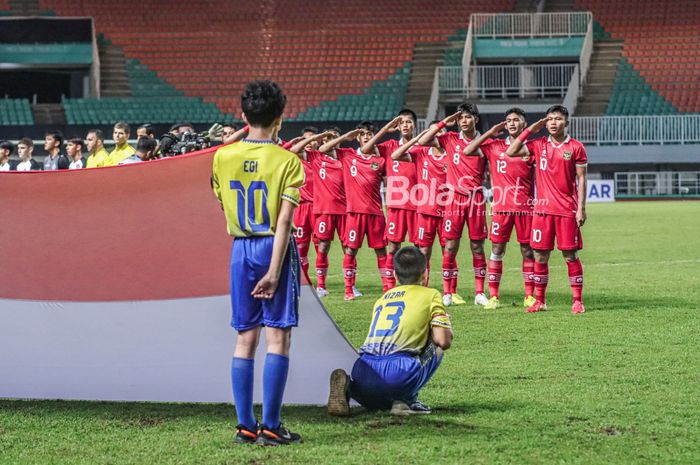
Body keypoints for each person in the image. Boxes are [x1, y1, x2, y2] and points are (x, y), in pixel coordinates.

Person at [211, 80, 304, 446]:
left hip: (241, 247)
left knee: (244, 338)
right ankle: (271, 425)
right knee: (278, 337)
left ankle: (245, 426)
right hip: (272, 248)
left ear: (243, 115)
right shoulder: (288, 161)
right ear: (280, 117)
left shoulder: (222, 156)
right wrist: (274, 271)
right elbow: (284, 222)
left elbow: (221, 201)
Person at [327, 246, 452, 416]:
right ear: (425, 273)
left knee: (374, 388)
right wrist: (446, 325)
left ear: (394, 275)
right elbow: (443, 341)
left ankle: (351, 388)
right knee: (436, 347)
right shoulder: (430, 295)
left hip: (363, 370)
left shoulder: (382, 299)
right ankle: (406, 400)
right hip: (399, 372)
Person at [505, 105, 587, 314]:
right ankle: (539, 300)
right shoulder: (538, 144)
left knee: (570, 255)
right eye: (549, 119)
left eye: (558, 119)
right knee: (540, 256)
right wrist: (531, 129)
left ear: (566, 123)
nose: (552, 122)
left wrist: (581, 209)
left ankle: (577, 300)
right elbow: (511, 150)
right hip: (542, 211)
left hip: (567, 210)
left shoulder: (576, 147)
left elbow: (581, 178)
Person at [463, 108, 536, 309]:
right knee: (497, 250)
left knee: (527, 250)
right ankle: (494, 296)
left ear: (524, 123)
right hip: (501, 208)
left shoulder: (531, 148)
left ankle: (529, 295)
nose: (511, 123)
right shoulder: (493, 146)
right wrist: (489, 132)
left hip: (525, 208)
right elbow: (468, 150)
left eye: (516, 120)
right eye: (508, 120)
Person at [419, 104, 490, 307]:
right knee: (450, 246)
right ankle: (448, 292)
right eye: (461, 118)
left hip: (476, 199)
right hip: (454, 199)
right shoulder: (449, 138)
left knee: (477, 246)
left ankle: (479, 292)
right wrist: (444, 122)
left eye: (467, 117)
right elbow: (424, 140)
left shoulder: (484, 141)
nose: (463, 121)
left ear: (475, 119)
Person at [319, 122, 391, 299]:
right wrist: (345, 137)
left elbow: (388, 187)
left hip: (376, 213)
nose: (367, 137)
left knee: (382, 251)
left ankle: (388, 288)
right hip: (354, 213)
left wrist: (389, 211)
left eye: (370, 134)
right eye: (364, 134)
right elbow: (322, 149)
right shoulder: (347, 155)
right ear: (358, 138)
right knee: (350, 250)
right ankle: (348, 290)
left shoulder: (381, 160)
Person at [361, 109, 420, 284]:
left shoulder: (422, 146)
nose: (405, 125)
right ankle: (389, 286)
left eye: (409, 122)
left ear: (415, 125)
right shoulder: (389, 146)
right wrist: (386, 129)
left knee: (420, 248)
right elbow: (365, 148)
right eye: (402, 123)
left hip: (418, 205)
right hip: (396, 205)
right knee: (393, 247)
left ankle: (420, 284)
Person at [391, 127, 450, 286]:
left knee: (448, 251)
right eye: (434, 131)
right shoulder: (421, 152)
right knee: (424, 252)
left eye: (441, 132)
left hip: (447, 211)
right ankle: (425, 286)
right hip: (425, 211)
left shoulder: (452, 155)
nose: (437, 135)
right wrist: (416, 140)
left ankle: (450, 292)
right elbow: (395, 155)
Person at [285, 126, 321, 279]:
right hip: (301, 208)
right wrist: (309, 139)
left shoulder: (321, 157)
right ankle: (303, 279)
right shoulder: (295, 158)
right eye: (306, 139)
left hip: (320, 208)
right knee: (301, 246)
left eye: (312, 139)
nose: (309, 143)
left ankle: (321, 283)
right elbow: (292, 150)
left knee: (321, 246)